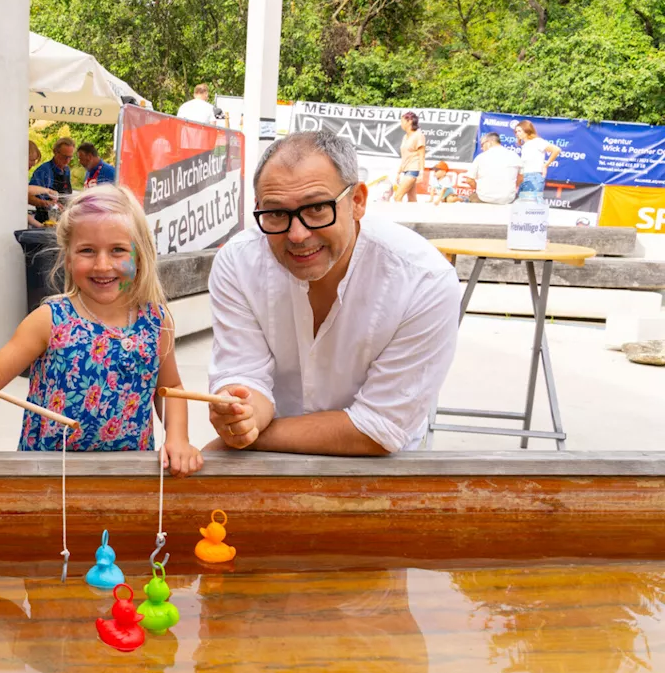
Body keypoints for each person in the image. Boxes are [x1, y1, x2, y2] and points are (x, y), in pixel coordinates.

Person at [208, 130, 460, 455]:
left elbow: (379, 429)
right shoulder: (238, 263)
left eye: (316, 209)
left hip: (379, 470)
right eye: (276, 213)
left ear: (357, 201)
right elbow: (244, 375)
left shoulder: (423, 280)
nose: (297, 235)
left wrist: (255, 436)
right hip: (268, 460)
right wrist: (241, 414)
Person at [0, 185, 204, 477]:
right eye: (87, 251)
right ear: (68, 258)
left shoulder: (157, 322)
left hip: (130, 477)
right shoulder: (49, 319)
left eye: (118, 250)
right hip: (48, 478)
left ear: (140, 254)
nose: (102, 265)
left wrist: (177, 438)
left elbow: (170, 390)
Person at [464, 132, 523, 204]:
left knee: (470, 198)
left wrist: (480, 190)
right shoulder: (514, 156)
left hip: (484, 198)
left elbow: (469, 180)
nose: (482, 148)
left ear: (489, 143)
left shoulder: (481, 157)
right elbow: (521, 177)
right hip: (507, 199)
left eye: (482, 144)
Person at [30, 138, 74, 224]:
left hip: (61, 220)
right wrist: (47, 203)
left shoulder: (67, 170)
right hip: (44, 221)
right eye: (65, 156)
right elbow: (28, 196)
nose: (67, 160)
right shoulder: (43, 171)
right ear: (55, 152)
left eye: (70, 157)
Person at [514, 120, 560, 196]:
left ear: (527, 130)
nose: (517, 133)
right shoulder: (525, 145)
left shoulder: (537, 141)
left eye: (519, 131)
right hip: (524, 177)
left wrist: (546, 165)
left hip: (534, 177)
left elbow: (556, 150)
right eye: (516, 131)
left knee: (530, 204)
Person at [391, 112, 426, 202]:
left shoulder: (418, 135)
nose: (401, 124)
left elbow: (421, 155)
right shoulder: (405, 137)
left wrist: (422, 172)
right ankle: (416, 216)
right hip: (406, 169)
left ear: (409, 121)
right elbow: (404, 156)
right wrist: (399, 172)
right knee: (412, 199)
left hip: (413, 169)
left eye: (402, 121)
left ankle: (398, 216)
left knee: (397, 196)